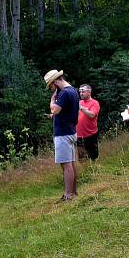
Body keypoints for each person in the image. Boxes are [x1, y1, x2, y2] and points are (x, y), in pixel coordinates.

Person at [44, 69, 80, 201]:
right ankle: (73, 193)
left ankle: (68, 195)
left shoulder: (64, 93)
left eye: (51, 86)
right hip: (70, 130)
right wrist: (54, 114)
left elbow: (55, 109)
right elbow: (63, 111)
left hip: (63, 133)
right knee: (70, 163)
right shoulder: (72, 90)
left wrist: (52, 100)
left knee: (66, 165)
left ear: (55, 82)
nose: (51, 89)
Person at [76, 84, 100, 161]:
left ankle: (95, 171)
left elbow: (92, 115)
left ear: (89, 92)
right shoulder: (79, 102)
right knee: (81, 157)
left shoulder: (94, 103)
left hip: (91, 134)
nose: (81, 93)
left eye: (83, 91)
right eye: (80, 92)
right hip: (79, 135)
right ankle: (85, 171)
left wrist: (82, 108)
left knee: (93, 157)